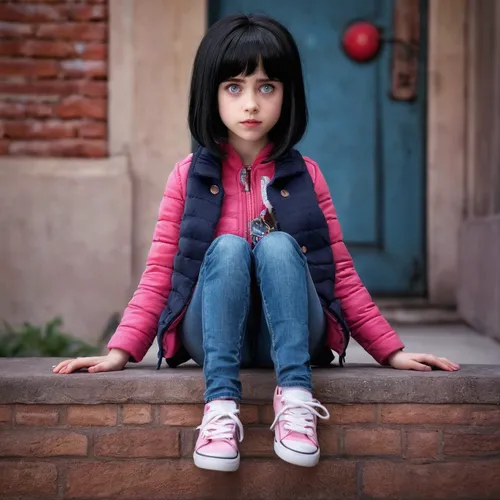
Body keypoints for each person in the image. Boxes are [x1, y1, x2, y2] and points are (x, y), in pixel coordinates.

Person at [53, 14, 460, 472]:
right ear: (211, 93)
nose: (251, 103)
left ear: (288, 95)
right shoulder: (188, 177)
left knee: (279, 246)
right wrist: (119, 352)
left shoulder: (306, 177)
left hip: (288, 336)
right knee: (227, 248)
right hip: (210, 335)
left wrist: (391, 350)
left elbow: (339, 273)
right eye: (234, 87)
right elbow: (162, 272)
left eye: (267, 87)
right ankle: (220, 407)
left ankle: (296, 400)